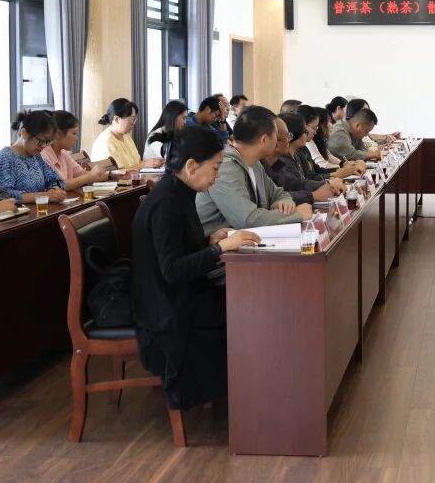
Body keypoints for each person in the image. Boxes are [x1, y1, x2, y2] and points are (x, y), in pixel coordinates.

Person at [131, 126, 262, 410]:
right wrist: (219, 249)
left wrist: (208, 241)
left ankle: (249, 392)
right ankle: (248, 400)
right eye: (215, 167)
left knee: (245, 306)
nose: (217, 175)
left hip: (181, 293)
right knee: (244, 314)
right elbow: (171, 270)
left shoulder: (179, 191)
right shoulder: (166, 202)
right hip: (166, 306)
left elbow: (177, 249)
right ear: (191, 166)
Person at [195, 105, 314, 235]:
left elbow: (279, 193)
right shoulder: (225, 167)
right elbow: (248, 220)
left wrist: (285, 203)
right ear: (264, 140)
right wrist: (297, 215)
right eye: (276, 136)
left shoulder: (255, 163)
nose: (277, 142)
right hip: (213, 244)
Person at [0, 110, 70, 203]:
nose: (43, 146)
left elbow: (54, 179)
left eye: (47, 141)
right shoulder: (4, 158)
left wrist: (53, 189)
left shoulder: (36, 157)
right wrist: (45, 196)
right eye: (41, 140)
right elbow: (3, 195)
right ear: (24, 133)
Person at [264, 114, 344, 204]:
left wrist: (327, 183)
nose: (289, 139)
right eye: (287, 136)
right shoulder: (281, 160)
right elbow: (276, 196)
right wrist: (314, 195)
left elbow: (295, 182)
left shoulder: (282, 160)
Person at [41, 110, 114, 191]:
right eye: (74, 133)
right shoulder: (43, 156)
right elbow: (59, 186)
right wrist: (89, 177)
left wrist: (113, 174)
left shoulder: (63, 153)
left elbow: (81, 174)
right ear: (58, 134)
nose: (76, 138)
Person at [295, 106, 365, 180]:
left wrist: (346, 166)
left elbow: (318, 169)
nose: (332, 125)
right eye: (329, 121)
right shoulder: (306, 144)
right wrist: (342, 170)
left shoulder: (305, 147)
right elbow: (317, 170)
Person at [92, 98, 162, 170]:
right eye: (132, 119)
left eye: (135, 120)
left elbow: (137, 163)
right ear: (116, 119)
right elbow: (118, 173)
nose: (134, 123)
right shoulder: (106, 141)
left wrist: (151, 163)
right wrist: (144, 164)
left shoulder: (126, 136)